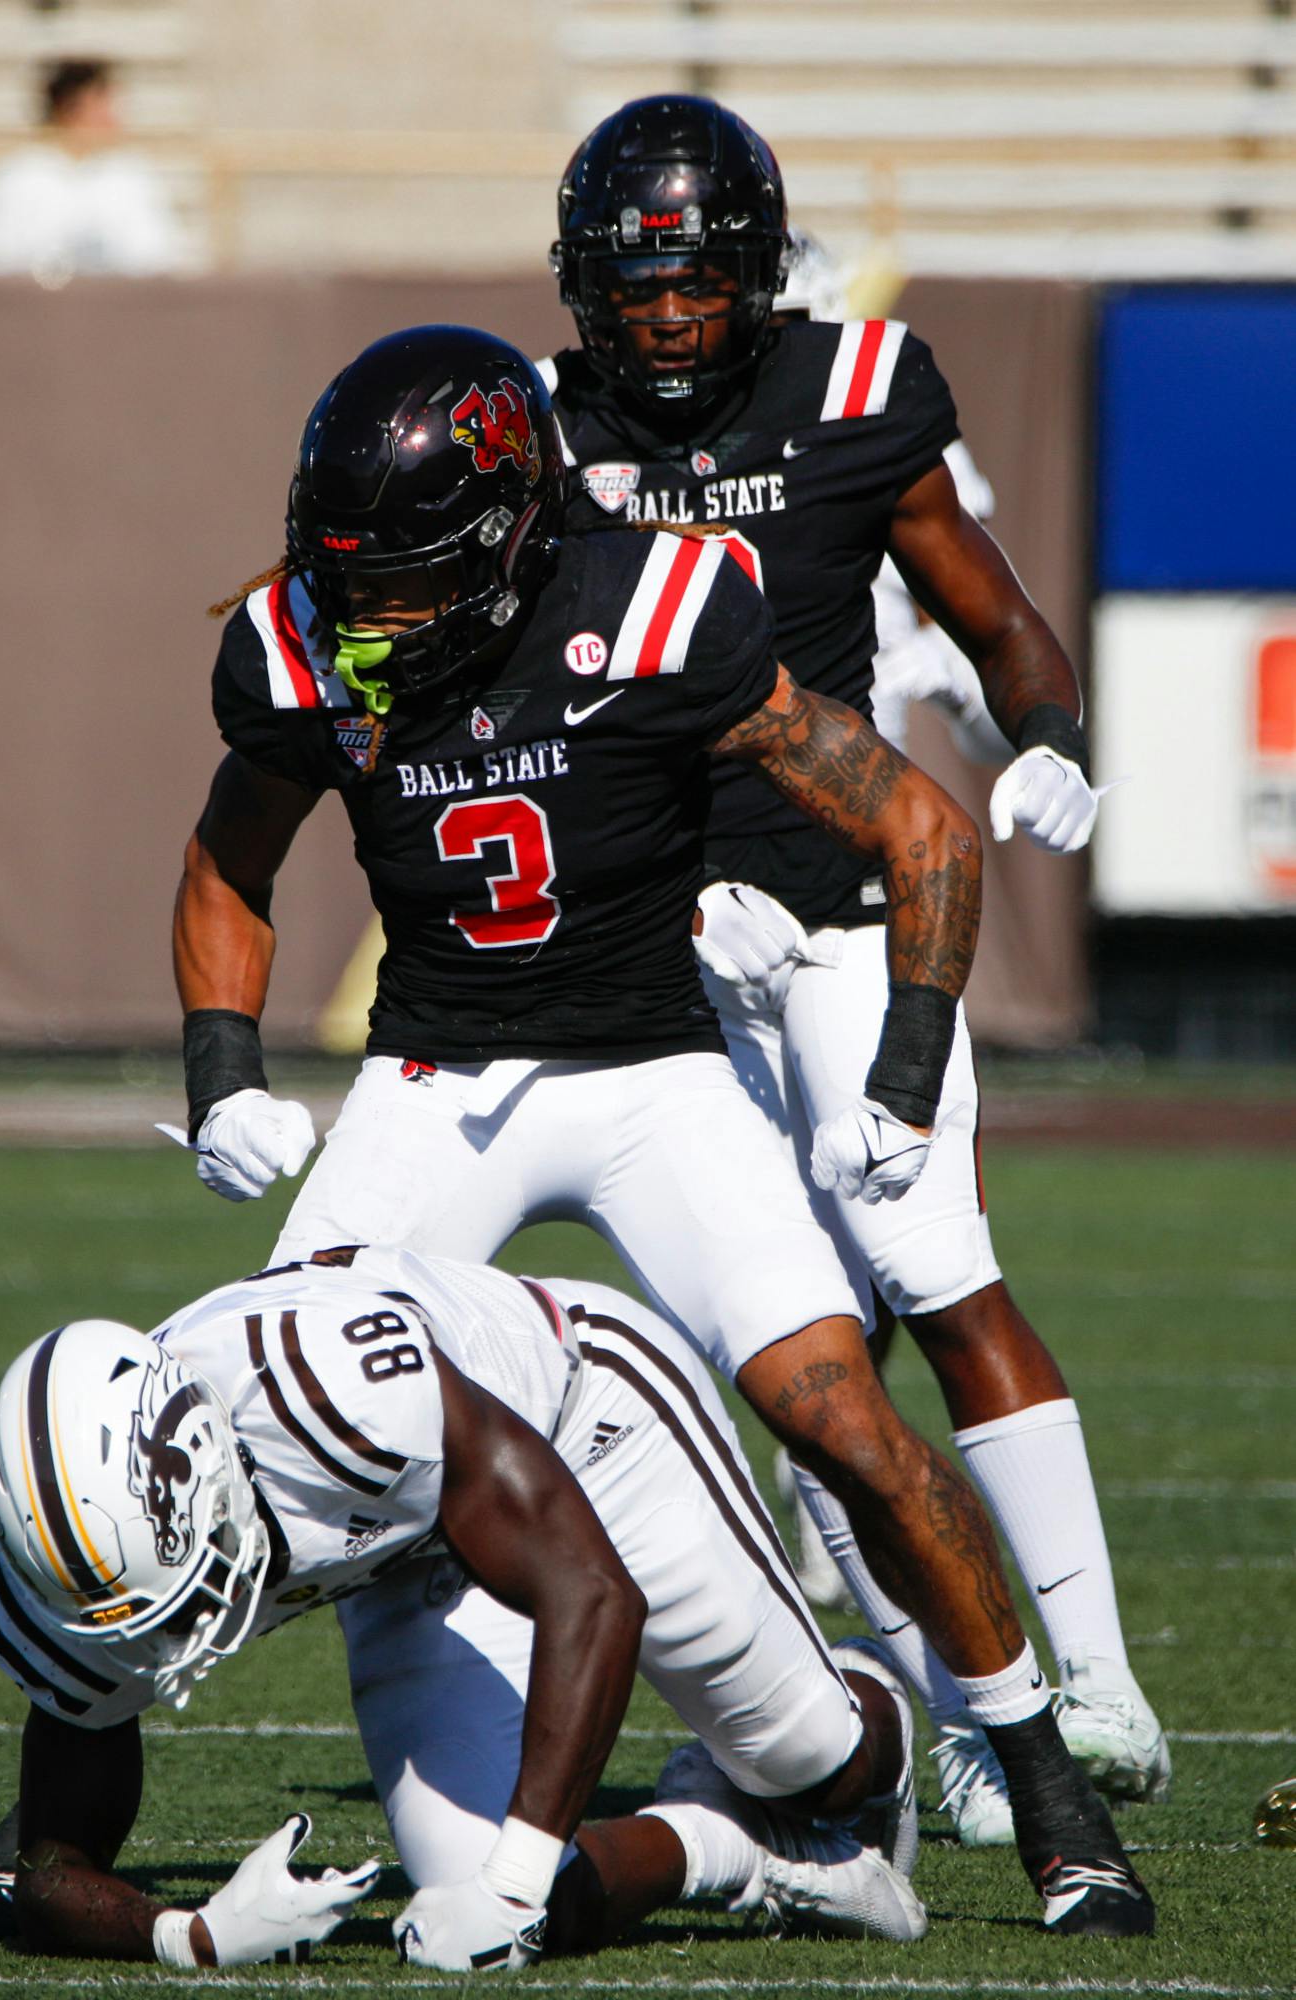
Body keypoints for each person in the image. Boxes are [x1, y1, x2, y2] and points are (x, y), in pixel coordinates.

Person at [167, 318, 1151, 1935]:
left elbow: (918, 821)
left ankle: (1042, 1778)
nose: (365, 613)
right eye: (344, 568)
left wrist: (901, 1074)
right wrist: (223, 1076)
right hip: (435, 1083)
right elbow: (229, 861)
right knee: (253, 1399)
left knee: (840, 1413)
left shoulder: (657, 600)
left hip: (650, 1075)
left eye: (403, 574)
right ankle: (62, 1801)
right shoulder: (296, 644)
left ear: (506, 536)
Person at [540, 95, 1169, 1843]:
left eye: (695, 281)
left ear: (754, 274)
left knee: (925, 1256)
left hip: (843, 909)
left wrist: (1040, 729)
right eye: (634, 284)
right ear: (587, 285)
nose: (664, 316)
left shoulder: (853, 387)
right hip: (670, 935)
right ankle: (952, 1707)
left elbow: (989, 607)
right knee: (785, 1338)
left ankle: (1096, 1676)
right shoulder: (538, 420)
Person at [0, 1246, 930, 1966]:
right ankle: (746, 1854)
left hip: (581, 1420)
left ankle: (861, 1694)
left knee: (818, 1766)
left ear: (208, 1461)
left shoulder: (335, 1399)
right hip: (399, 1556)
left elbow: (591, 1594)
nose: (179, 1628)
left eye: (188, 1582)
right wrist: (191, 1934)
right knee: (473, 1920)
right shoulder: (76, 1572)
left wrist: (514, 1879)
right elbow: (50, 1870)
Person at [0, 58, 188, 281]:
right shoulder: (19, 176)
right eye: (102, 106)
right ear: (69, 109)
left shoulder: (132, 175)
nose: (114, 119)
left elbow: (159, 258)